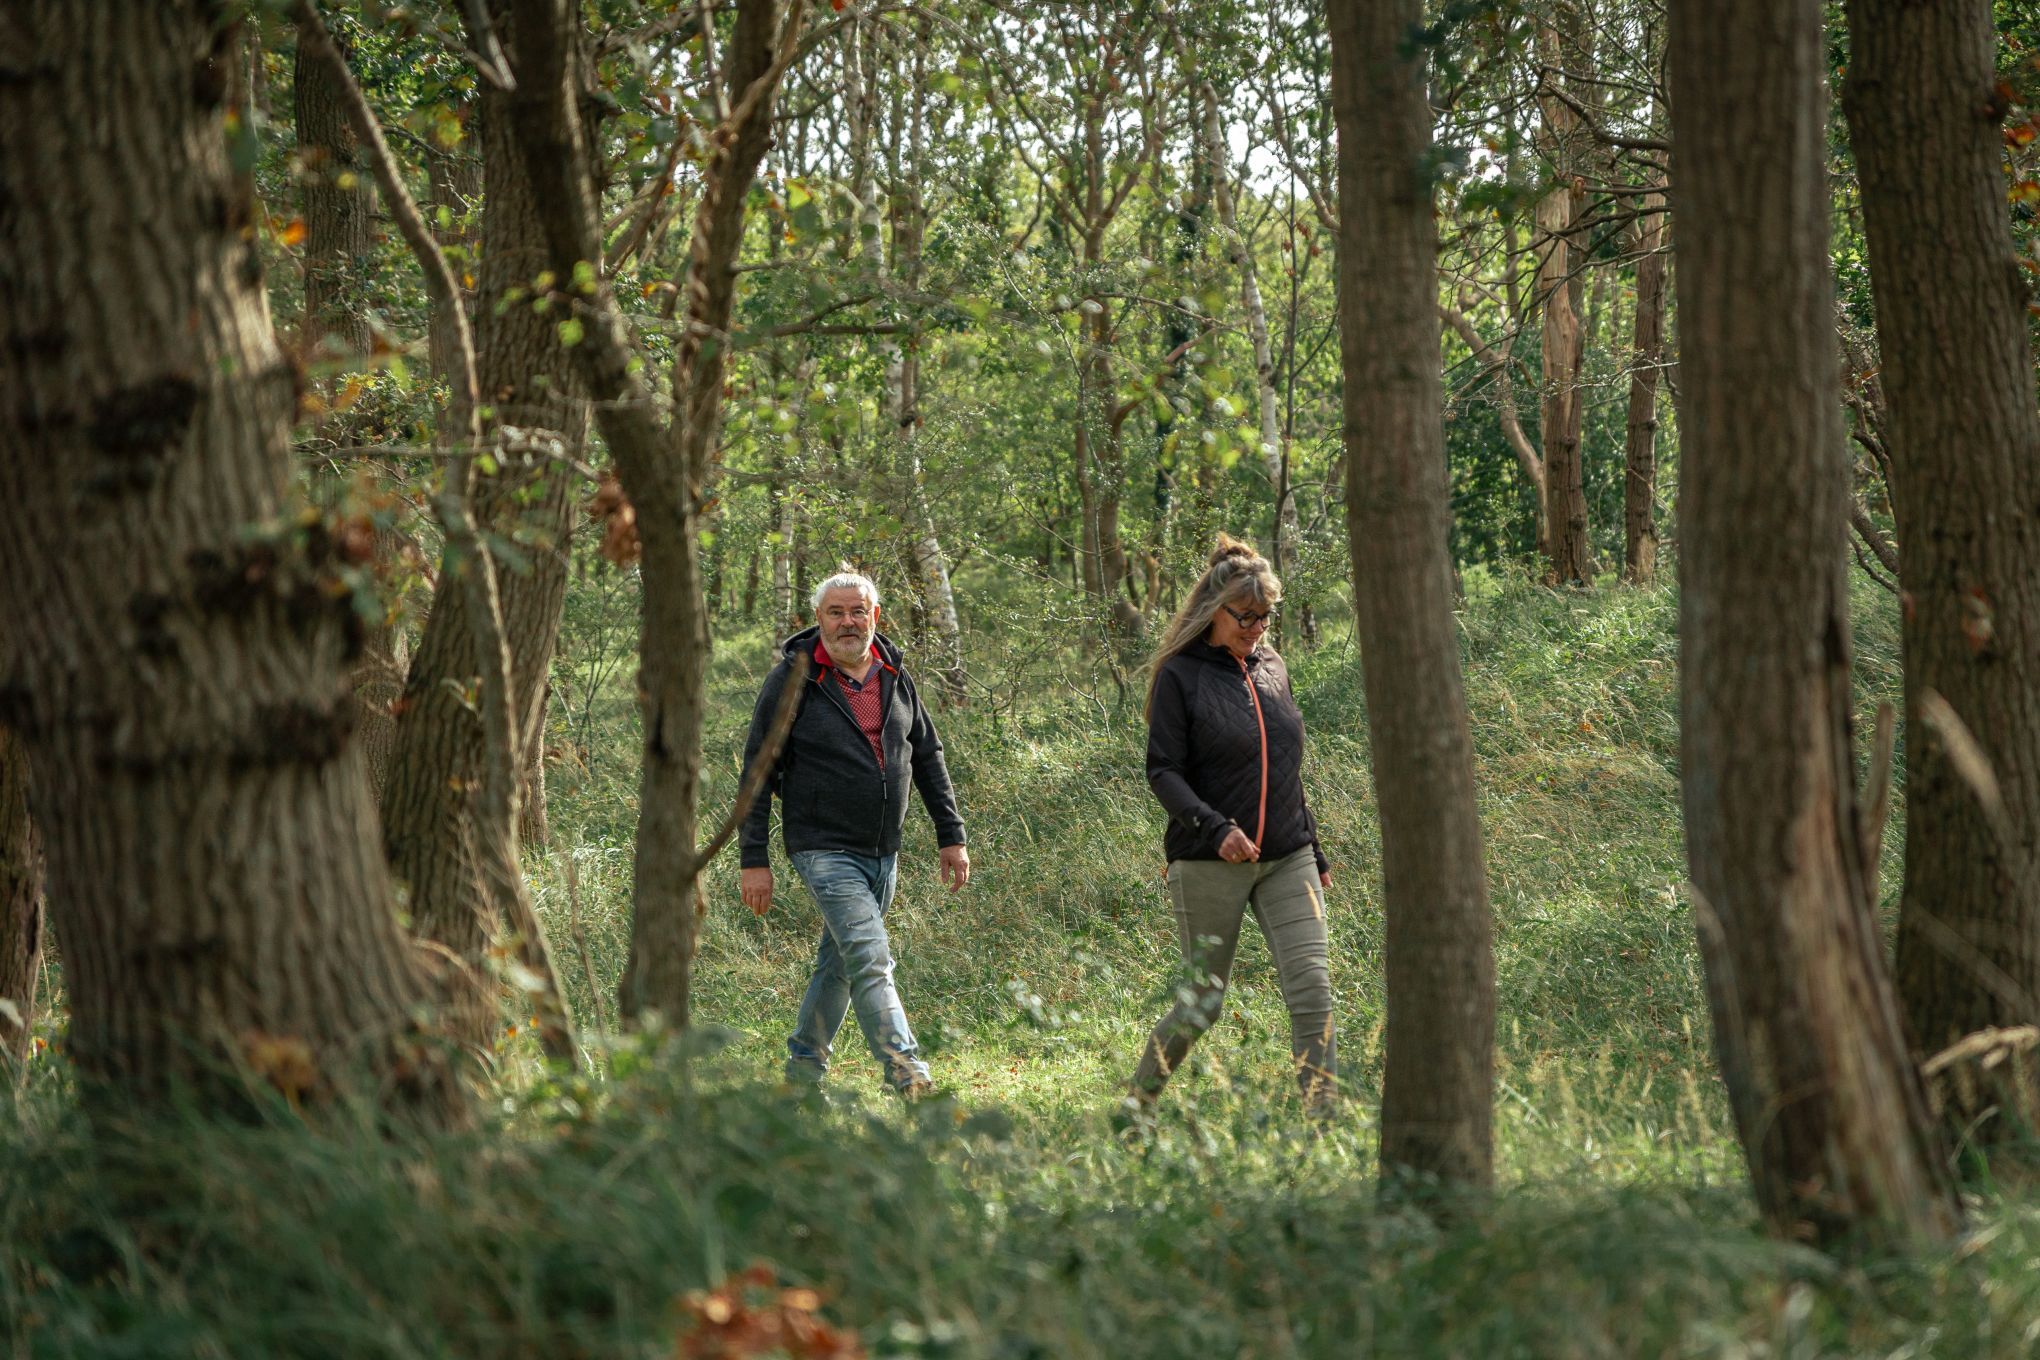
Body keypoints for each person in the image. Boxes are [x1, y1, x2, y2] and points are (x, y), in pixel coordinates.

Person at [1127, 535, 1337, 1118]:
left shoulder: (1273, 667)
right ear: (1212, 612)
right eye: (1245, 617)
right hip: (1207, 860)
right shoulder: (1181, 675)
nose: (1256, 629)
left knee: (1313, 992)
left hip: (1287, 857)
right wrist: (1215, 827)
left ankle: (1324, 1126)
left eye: (1265, 617)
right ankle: (1137, 1107)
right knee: (1202, 1003)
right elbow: (1162, 770)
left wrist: (1313, 851)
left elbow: (1287, 770)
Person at [738, 569, 969, 1097]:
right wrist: (755, 858)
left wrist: (950, 835)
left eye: (857, 611)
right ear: (817, 619)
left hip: (882, 851)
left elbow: (927, 756)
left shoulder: (894, 674)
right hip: (821, 848)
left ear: (874, 617)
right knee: (869, 957)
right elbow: (758, 770)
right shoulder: (793, 681)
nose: (848, 622)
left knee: (840, 965)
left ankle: (801, 1076)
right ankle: (907, 1074)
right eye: (836, 613)